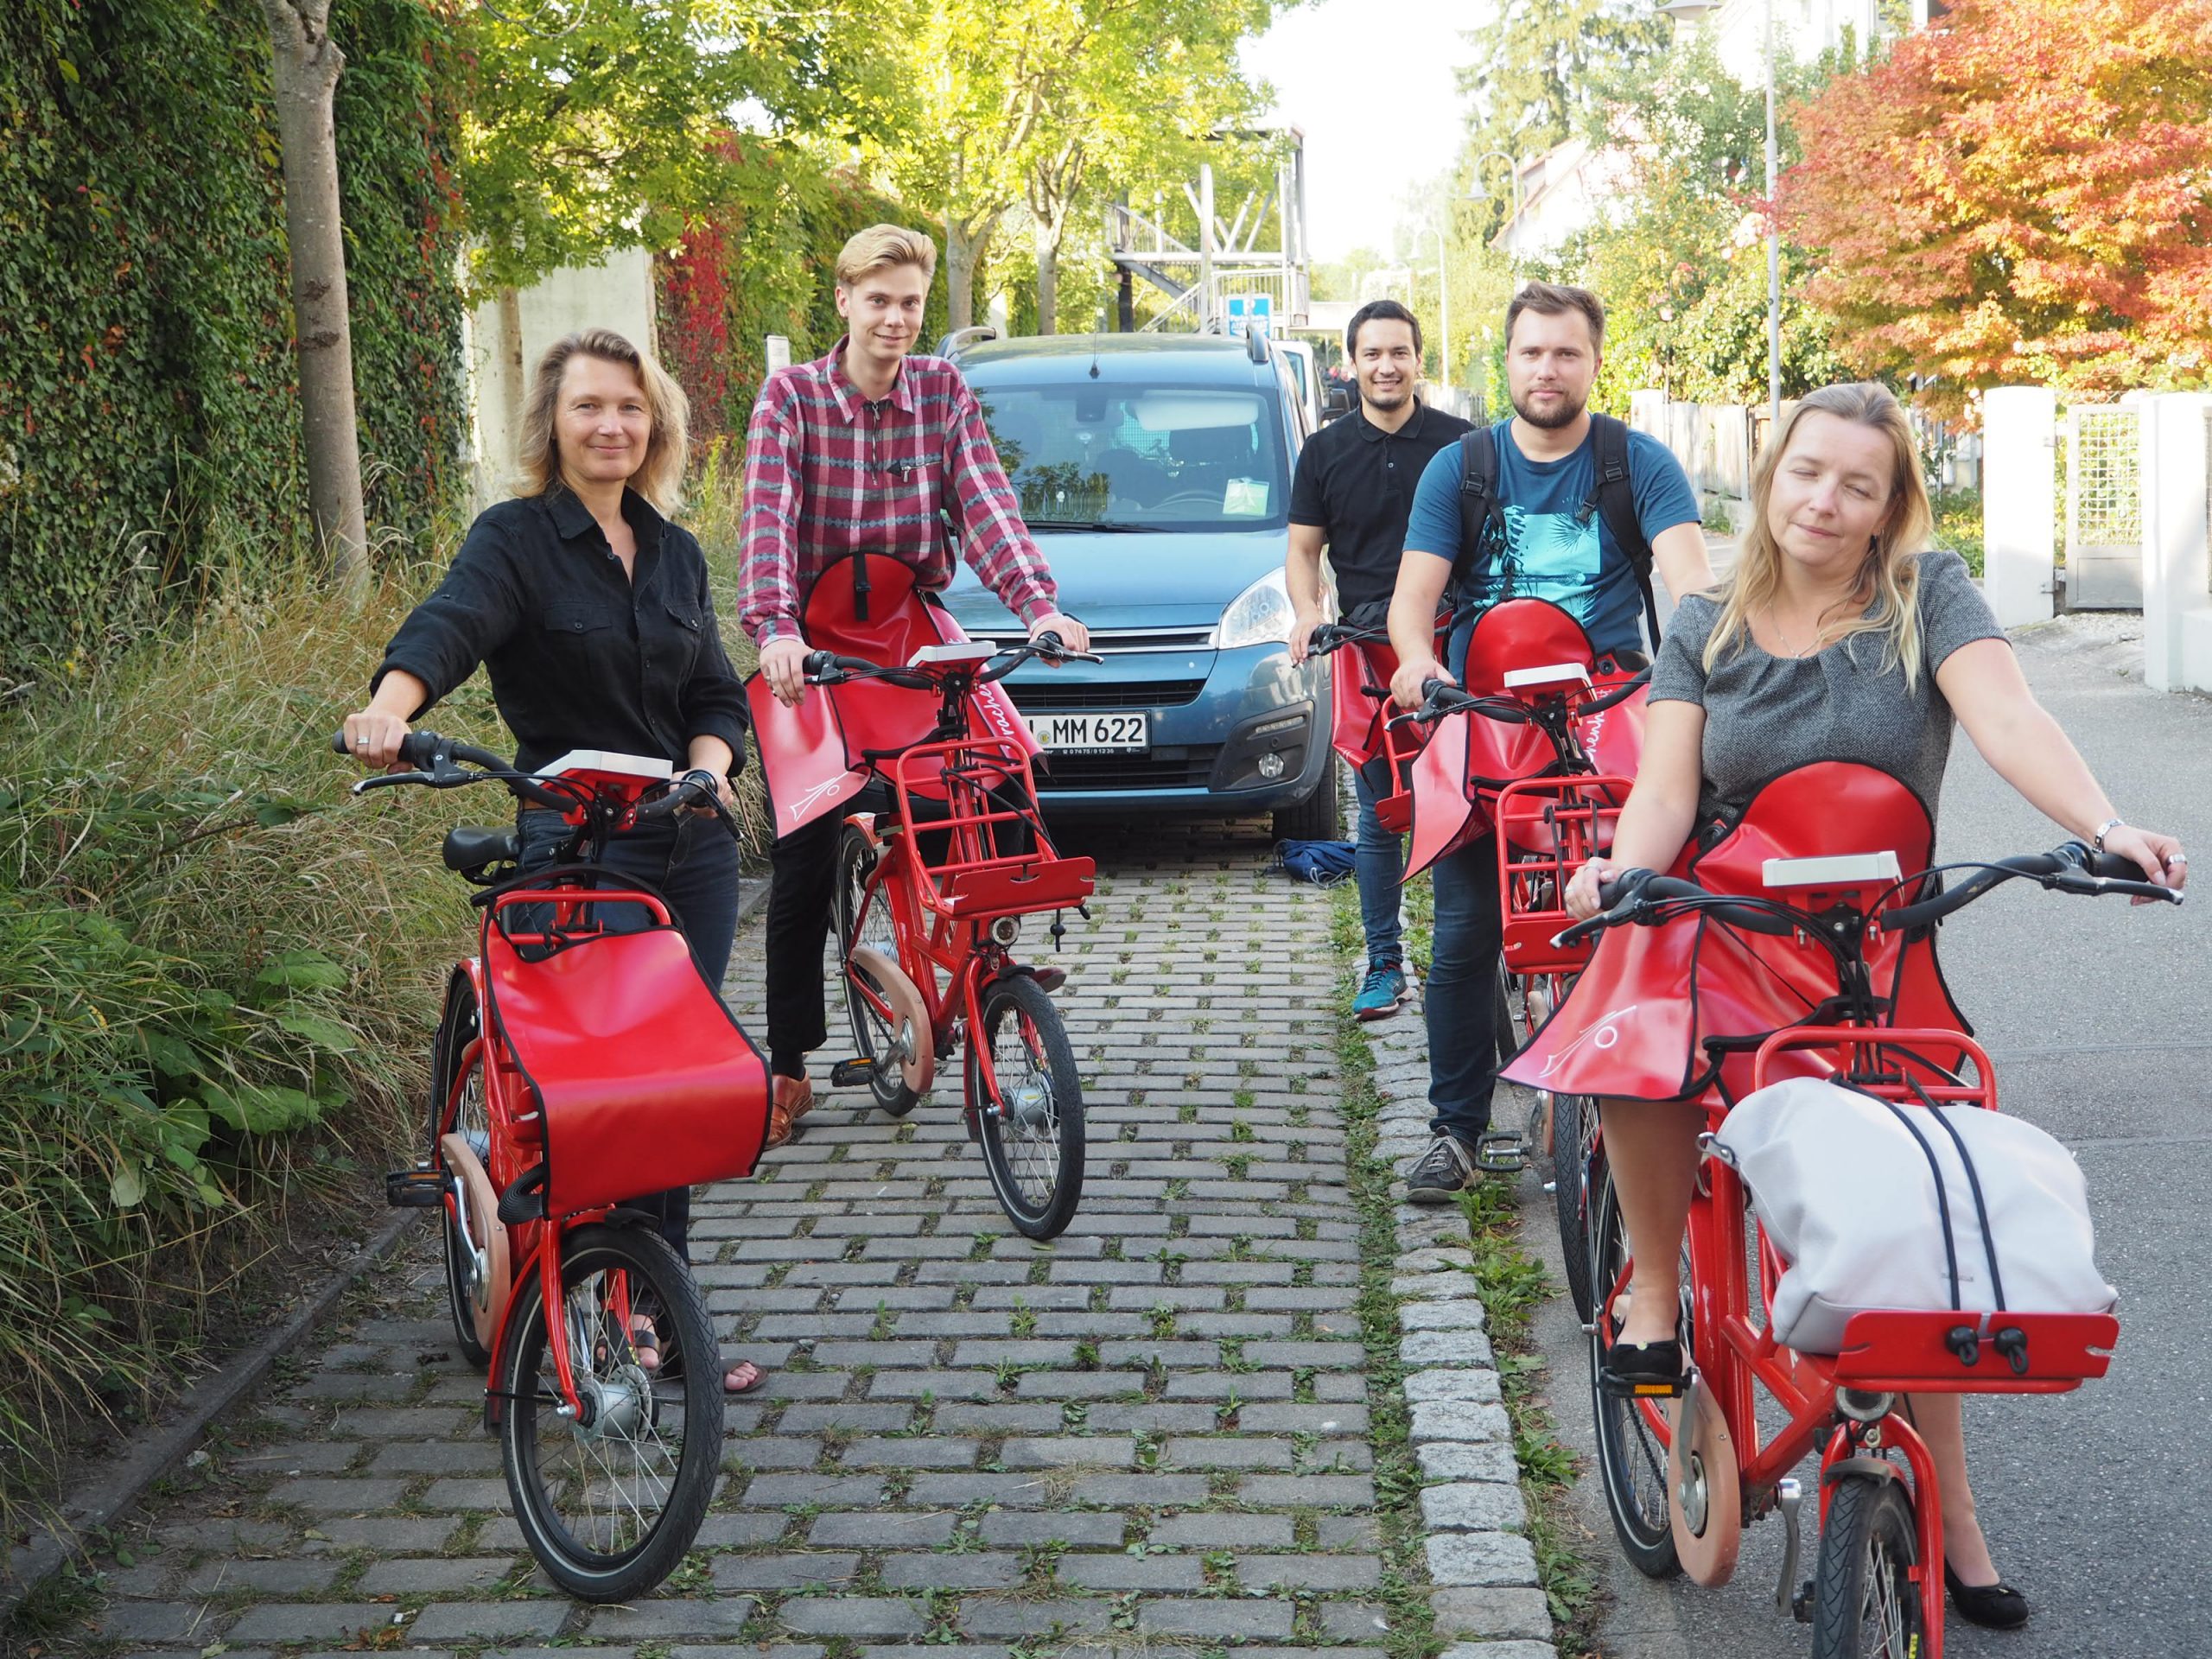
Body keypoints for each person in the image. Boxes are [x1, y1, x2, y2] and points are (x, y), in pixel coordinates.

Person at [1535, 380, 2186, 1626]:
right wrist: (1624, 864)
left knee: (1919, 1228)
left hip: (1881, 948)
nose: (1827, 502)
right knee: (1637, 1019)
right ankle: (1659, 1288)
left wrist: (2106, 826)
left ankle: (1954, 1513)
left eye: (1860, 485)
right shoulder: (1705, 620)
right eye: (1808, 473)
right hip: (1733, 922)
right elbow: (1667, 790)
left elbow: (2007, 715)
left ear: (1893, 507)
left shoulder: (1924, 596)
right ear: (1771, 474)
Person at [343, 327, 769, 1396]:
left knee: (671, 1088)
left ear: (654, 424)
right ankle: (579, 1291)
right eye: (588, 408)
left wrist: (713, 767)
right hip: (576, 847)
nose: (610, 426)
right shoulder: (515, 540)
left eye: (629, 407)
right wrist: (388, 711)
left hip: (685, 848)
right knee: (595, 1090)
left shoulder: (674, 552)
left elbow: (716, 692)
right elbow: (449, 626)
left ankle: (653, 1312)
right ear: (552, 425)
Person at [739, 225, 1089, 1146]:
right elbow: (766, 520)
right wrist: (774, 630)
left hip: (905, 623)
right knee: (806, 852)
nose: (895, 319)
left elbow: (986, 506)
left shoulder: (940, 390)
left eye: (910, 304)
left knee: (999, 758)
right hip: (813, 646)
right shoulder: (792, 398)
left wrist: (1037, 608)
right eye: (879, 300)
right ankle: (785, 1062)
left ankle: (992, 953)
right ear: (845, 300)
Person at [1383, 282, 1713, 1202]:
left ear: (1594, 363)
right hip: (1487, 715)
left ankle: (1669, 1092)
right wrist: (1417, 664)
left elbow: (1688, 583)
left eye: (1566, 353)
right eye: (1531, 352)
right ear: (1509, 358)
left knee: (1655, 894)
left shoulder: (1637, 463)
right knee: (1461, 937)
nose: (1547, 369)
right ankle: (1455, 1128)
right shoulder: (1462, 468)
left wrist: (1702, 659)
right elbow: (1413, 602)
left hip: (1609, 703)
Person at [1287, 299, 1473, 1021]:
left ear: (1418, 360)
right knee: (1377, 816)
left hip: (1458, 644)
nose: (1387, 366)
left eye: (1399, 352)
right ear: (1352, 363)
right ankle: (1385, 964)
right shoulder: (1324, 453)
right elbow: (1303, 552)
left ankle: (1478, 959)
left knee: (1472, 797)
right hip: (1366, 652)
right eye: (1373, 354)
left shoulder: (1464, 446)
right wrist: (1309, 611)